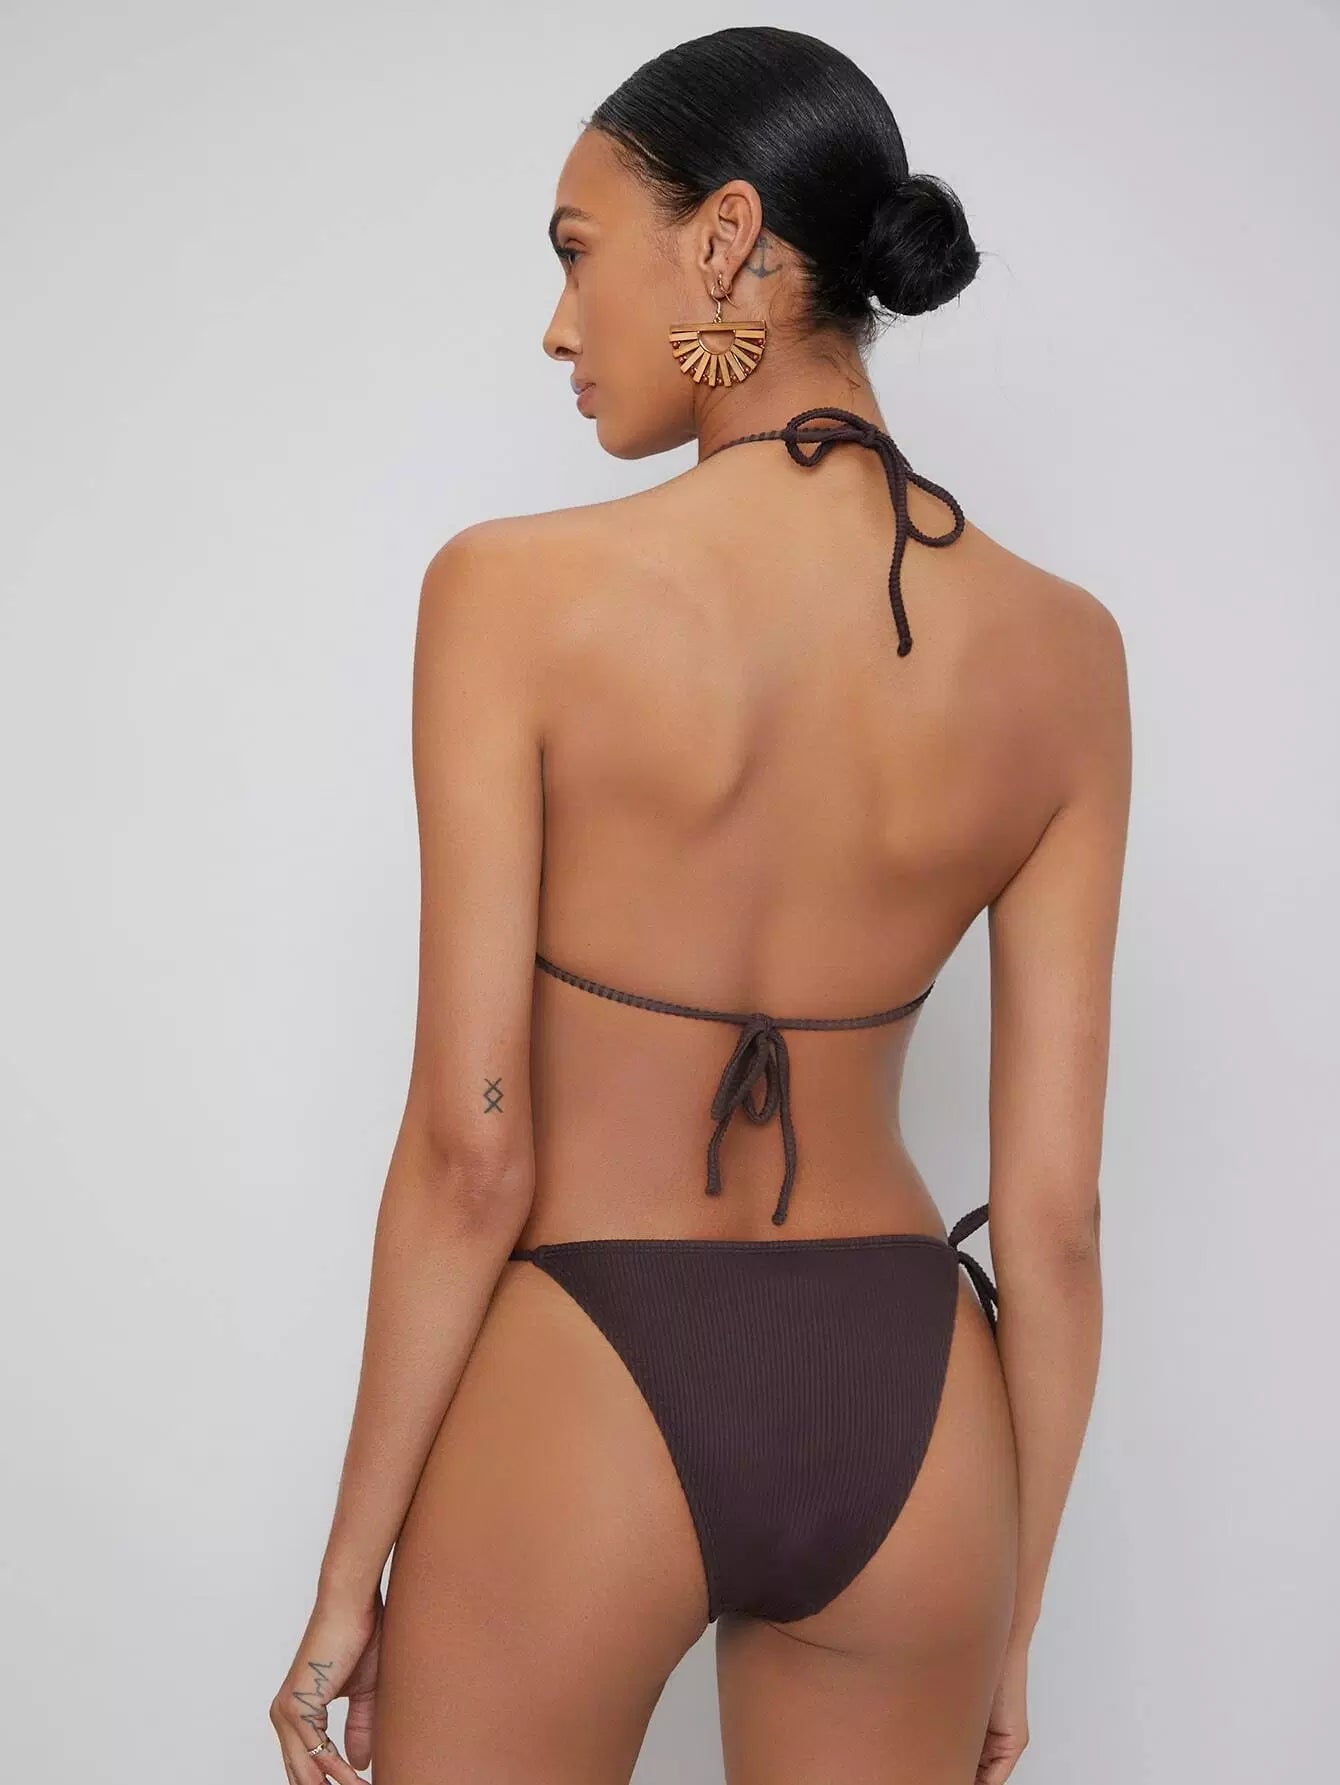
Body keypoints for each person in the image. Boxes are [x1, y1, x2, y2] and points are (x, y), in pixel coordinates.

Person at [269, 25, 1130, 1785]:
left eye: (578, 251)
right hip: (912, 1413)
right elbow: (1052, 1227)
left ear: (726, 238)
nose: (558, 327)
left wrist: (348, 1578)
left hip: (591, 1365)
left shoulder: (512, 597)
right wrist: (1009, 1611)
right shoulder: (1068, 654)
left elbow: (471, 1154)